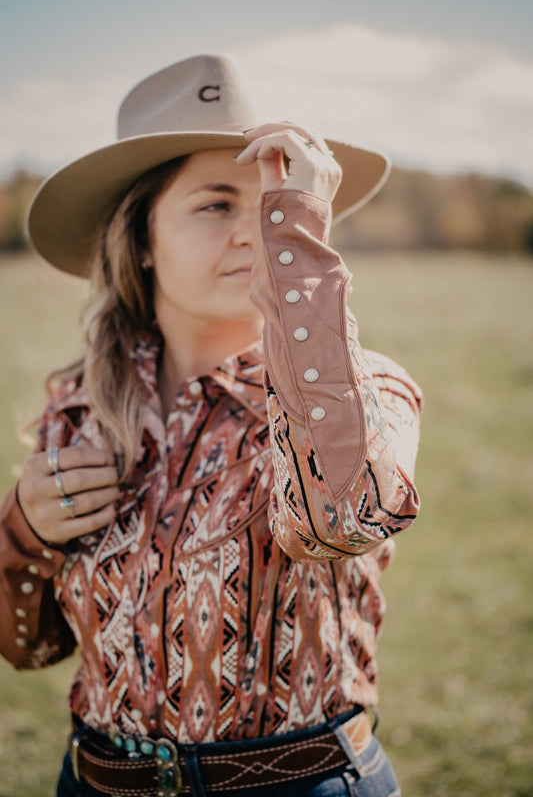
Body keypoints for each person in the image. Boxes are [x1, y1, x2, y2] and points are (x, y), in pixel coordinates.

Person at [0, 54, 423, 797]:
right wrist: (24, 533)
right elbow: (25, 647)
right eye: (215, 204)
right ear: (139, 239)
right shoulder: (79, 406)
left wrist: (298, 260)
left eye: (274, 202)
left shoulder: (367, 388)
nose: (257, 229)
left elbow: (346, 520)